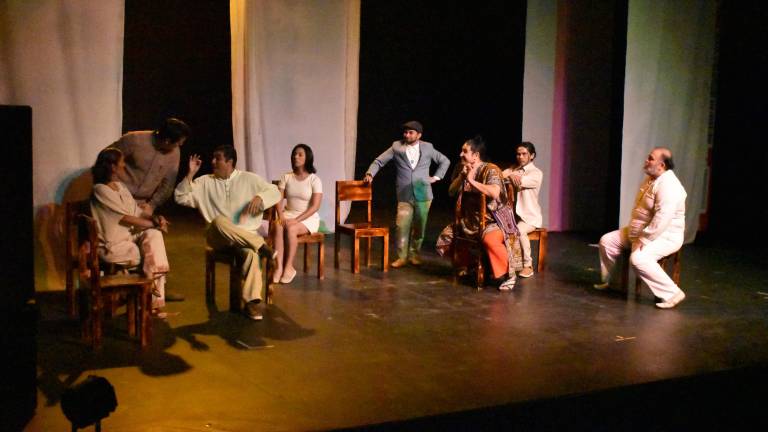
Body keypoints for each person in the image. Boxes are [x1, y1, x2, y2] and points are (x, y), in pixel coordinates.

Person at [174, 145, 280, 320]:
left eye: (218, 158)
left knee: (251, 255)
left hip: (244, 240)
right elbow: (180, 197)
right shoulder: (204, 182)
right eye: (213, 158)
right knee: (218, 221)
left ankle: (251, 302)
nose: (212, 161)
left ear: (230, 162)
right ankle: (261, 246)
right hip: (218, 238)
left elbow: (275, 192)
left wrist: (260, 197)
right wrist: (190, 174)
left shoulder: (249, 179)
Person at [108, 117, 190, 301]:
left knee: (153, 238)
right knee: (128, 241)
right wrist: (112, 192)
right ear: (167, 140)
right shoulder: (134, 140)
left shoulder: (174, 153)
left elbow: (168, 184)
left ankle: (156, 291)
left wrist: (152, 206)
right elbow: (106, 161)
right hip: (117, 201)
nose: (179, 146)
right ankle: (128, 288)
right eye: (178, 142)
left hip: (143, 205)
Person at [595, 147, 687, 309]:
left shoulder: (669, 186)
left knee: (638, 259)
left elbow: (662, 218)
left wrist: (645, 239)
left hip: (664, 236)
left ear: (662, 165)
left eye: (650, 158)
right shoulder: (651, 179)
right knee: (607, 241)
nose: (646, 160)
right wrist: (636, 233)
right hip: (638, 231)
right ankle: (613, 282)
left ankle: (673, 293)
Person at [89, 148, 171, 314]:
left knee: (154, 237)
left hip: (129, 238)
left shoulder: (120, 187)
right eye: (121, 162)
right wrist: (152, 224)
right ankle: (147, 299)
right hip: (113, 246)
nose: (124, 166)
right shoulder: (100, 190)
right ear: (112, 166)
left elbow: (136, 211)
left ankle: (153, 300)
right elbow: (125, 218)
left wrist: (155, 219)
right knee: (150, 257)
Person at [363, 121, 450, 268]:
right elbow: (379, 161)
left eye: (411, 132)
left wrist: (436, 177)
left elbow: (444, 161)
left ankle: (414, 254)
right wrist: (370, 174)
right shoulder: (396, 147)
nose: (407, 135)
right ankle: (401, 257)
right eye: (405, 132)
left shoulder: (428, 147)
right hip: (404, 194)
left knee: (419, 227)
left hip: (423, 194)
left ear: (419, 135)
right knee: (401, 226)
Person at [445, 136, 522, 290]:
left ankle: (510, 274)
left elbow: (494, 192)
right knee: (448, 236)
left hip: (494, 220)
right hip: (470, 221)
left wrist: (472, 181)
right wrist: (462, 177)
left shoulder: (491, 169)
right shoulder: (461, 168)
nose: (460, 154)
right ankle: (472, 266)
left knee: (489, 239)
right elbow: (451, 192)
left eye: (465, 151)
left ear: (476, 155)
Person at [271, 144, 323, 284]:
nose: (296, 157)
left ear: (308, 158)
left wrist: (297, 220)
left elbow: (315, 206)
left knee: (291, 228)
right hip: (288, 214)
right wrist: (280, 215)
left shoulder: (314, 180)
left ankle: (289, 268)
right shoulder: (286, 177)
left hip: (308, 218)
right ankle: (279, 267)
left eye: (300, 154)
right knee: (278, 225)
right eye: (294, 154)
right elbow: (278, 198)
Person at [502, 142, 543, 278]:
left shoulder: (536, 173)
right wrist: (510, 174)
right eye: (518, 154)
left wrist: (511, 174)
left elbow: (518, 181)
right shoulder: (515, 170)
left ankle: (528, 265)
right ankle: (508, 263)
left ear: (532, 156)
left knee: (519, 230)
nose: (520, 157)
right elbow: (500, 176)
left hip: (529, 217)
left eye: (524, 154)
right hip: (513, 215)